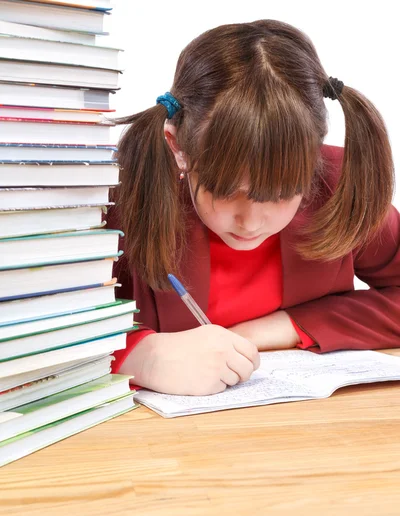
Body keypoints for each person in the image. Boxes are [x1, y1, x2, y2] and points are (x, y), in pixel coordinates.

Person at [107, 19, 400, 396]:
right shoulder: (118, 202)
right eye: (225, 190)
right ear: (177, 146)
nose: (251, 222)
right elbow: (21, 330)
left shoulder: (341, 186)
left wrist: (281, 327)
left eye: (282, 192)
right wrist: (138, 357)